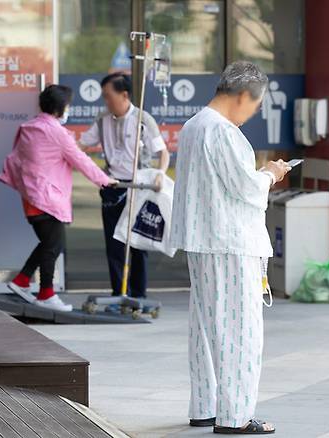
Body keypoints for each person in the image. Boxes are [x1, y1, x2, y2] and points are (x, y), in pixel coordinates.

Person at [171, 61, 290, 435]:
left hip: (202, 240)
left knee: (206, 327)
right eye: (254, 105)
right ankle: (235, 416)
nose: (253, 112)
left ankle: (205, 406)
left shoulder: (194, 125)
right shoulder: (224, 132)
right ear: (242, 96)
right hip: (231, 242)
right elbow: (247, 189)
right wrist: (271, 173)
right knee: (240, 330)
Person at [0, 84, 118, 312]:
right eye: (68, 105)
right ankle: (46, 294)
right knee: (53, 246)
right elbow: (79, 160)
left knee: (48, 243)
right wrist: (104, 180)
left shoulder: (29, 128)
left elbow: (14, 161)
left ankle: (22, 280)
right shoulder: (56, 132)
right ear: (60, 107)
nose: (69, 109)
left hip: (31, 197)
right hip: (48, 198)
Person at [79, 73, 170, 304]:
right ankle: (119, 293)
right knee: (114, 243)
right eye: (104, 97)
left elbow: (163, 153)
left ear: (124, 95)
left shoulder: (142, 120)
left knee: (137, 243)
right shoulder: (102, 119)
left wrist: (159, 174)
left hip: (138, 187)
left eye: (108, 96)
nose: (106, 101)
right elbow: (80, 145)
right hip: (112, 186)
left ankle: (138, 294)